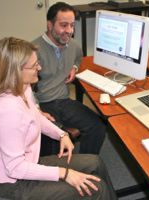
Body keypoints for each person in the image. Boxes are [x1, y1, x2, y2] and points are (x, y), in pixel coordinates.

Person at [0, 37, 117, 200]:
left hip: (29, 164)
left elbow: (36, 117)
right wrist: (64, 173)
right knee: (96, 189)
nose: (39, 67)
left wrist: (62, 134)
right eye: (34, 65)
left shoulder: (23, 88)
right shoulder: (8, 111)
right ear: (16, 71)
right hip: (13, 184)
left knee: (96, 163)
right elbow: (14, 168)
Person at [31, 2, 106, 155]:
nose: (69, 31)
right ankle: (56, 174)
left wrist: (74, 68)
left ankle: (85, 163)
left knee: (97, 126)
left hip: (64, 100)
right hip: (42, 103)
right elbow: (23, 88)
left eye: (72, 25)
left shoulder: (73, 46)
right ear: (50, 25)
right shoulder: (33, 50)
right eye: (63, 25)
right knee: (52, 139)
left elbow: (79, 58)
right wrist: (36, 110)